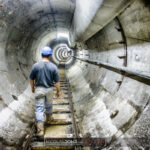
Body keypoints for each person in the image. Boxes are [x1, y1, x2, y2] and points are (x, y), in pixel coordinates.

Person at [29, 46, 61, 137]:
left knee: (39, 109)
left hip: (39, 89)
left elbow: (31, 79)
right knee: (49, 105)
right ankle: (49, 119)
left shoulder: (36, 66)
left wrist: (32, 88)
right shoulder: (53, 67)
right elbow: (57, 82)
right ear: (50, 56)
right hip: (49, 90)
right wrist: (59, 91)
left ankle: (40, 130)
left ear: (41, 54)